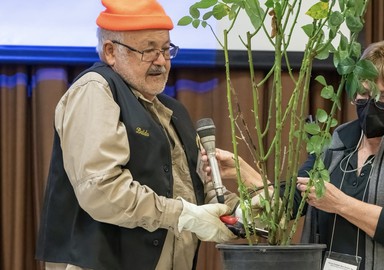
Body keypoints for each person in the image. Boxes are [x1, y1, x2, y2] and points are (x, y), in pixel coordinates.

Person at [204, 40, 384, 270]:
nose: (370, 103)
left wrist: (342, 204)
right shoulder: (331, 151)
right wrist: (242, 171)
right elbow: (292, 201)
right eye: (364, 93)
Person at [35, 0, 240, 269]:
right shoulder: (95, 90)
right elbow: (102, 190)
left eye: (166, 50)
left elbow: (193, 191)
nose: (161, 62)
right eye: (148, 50)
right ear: (110, 52)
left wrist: (239, 211)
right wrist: (182, 215)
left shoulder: (172, 109)